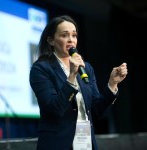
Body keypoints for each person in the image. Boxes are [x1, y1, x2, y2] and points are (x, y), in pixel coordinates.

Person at [29, 15, 128, 150]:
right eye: (65, 35)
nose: (71, 40)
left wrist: (112, 84)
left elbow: (96, 109)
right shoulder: (40, 69)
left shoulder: (86, 68)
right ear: (51, 40)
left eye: (74, 35)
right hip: (58, 143)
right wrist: (71, 77)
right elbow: (54, 109)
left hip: (85, 142)